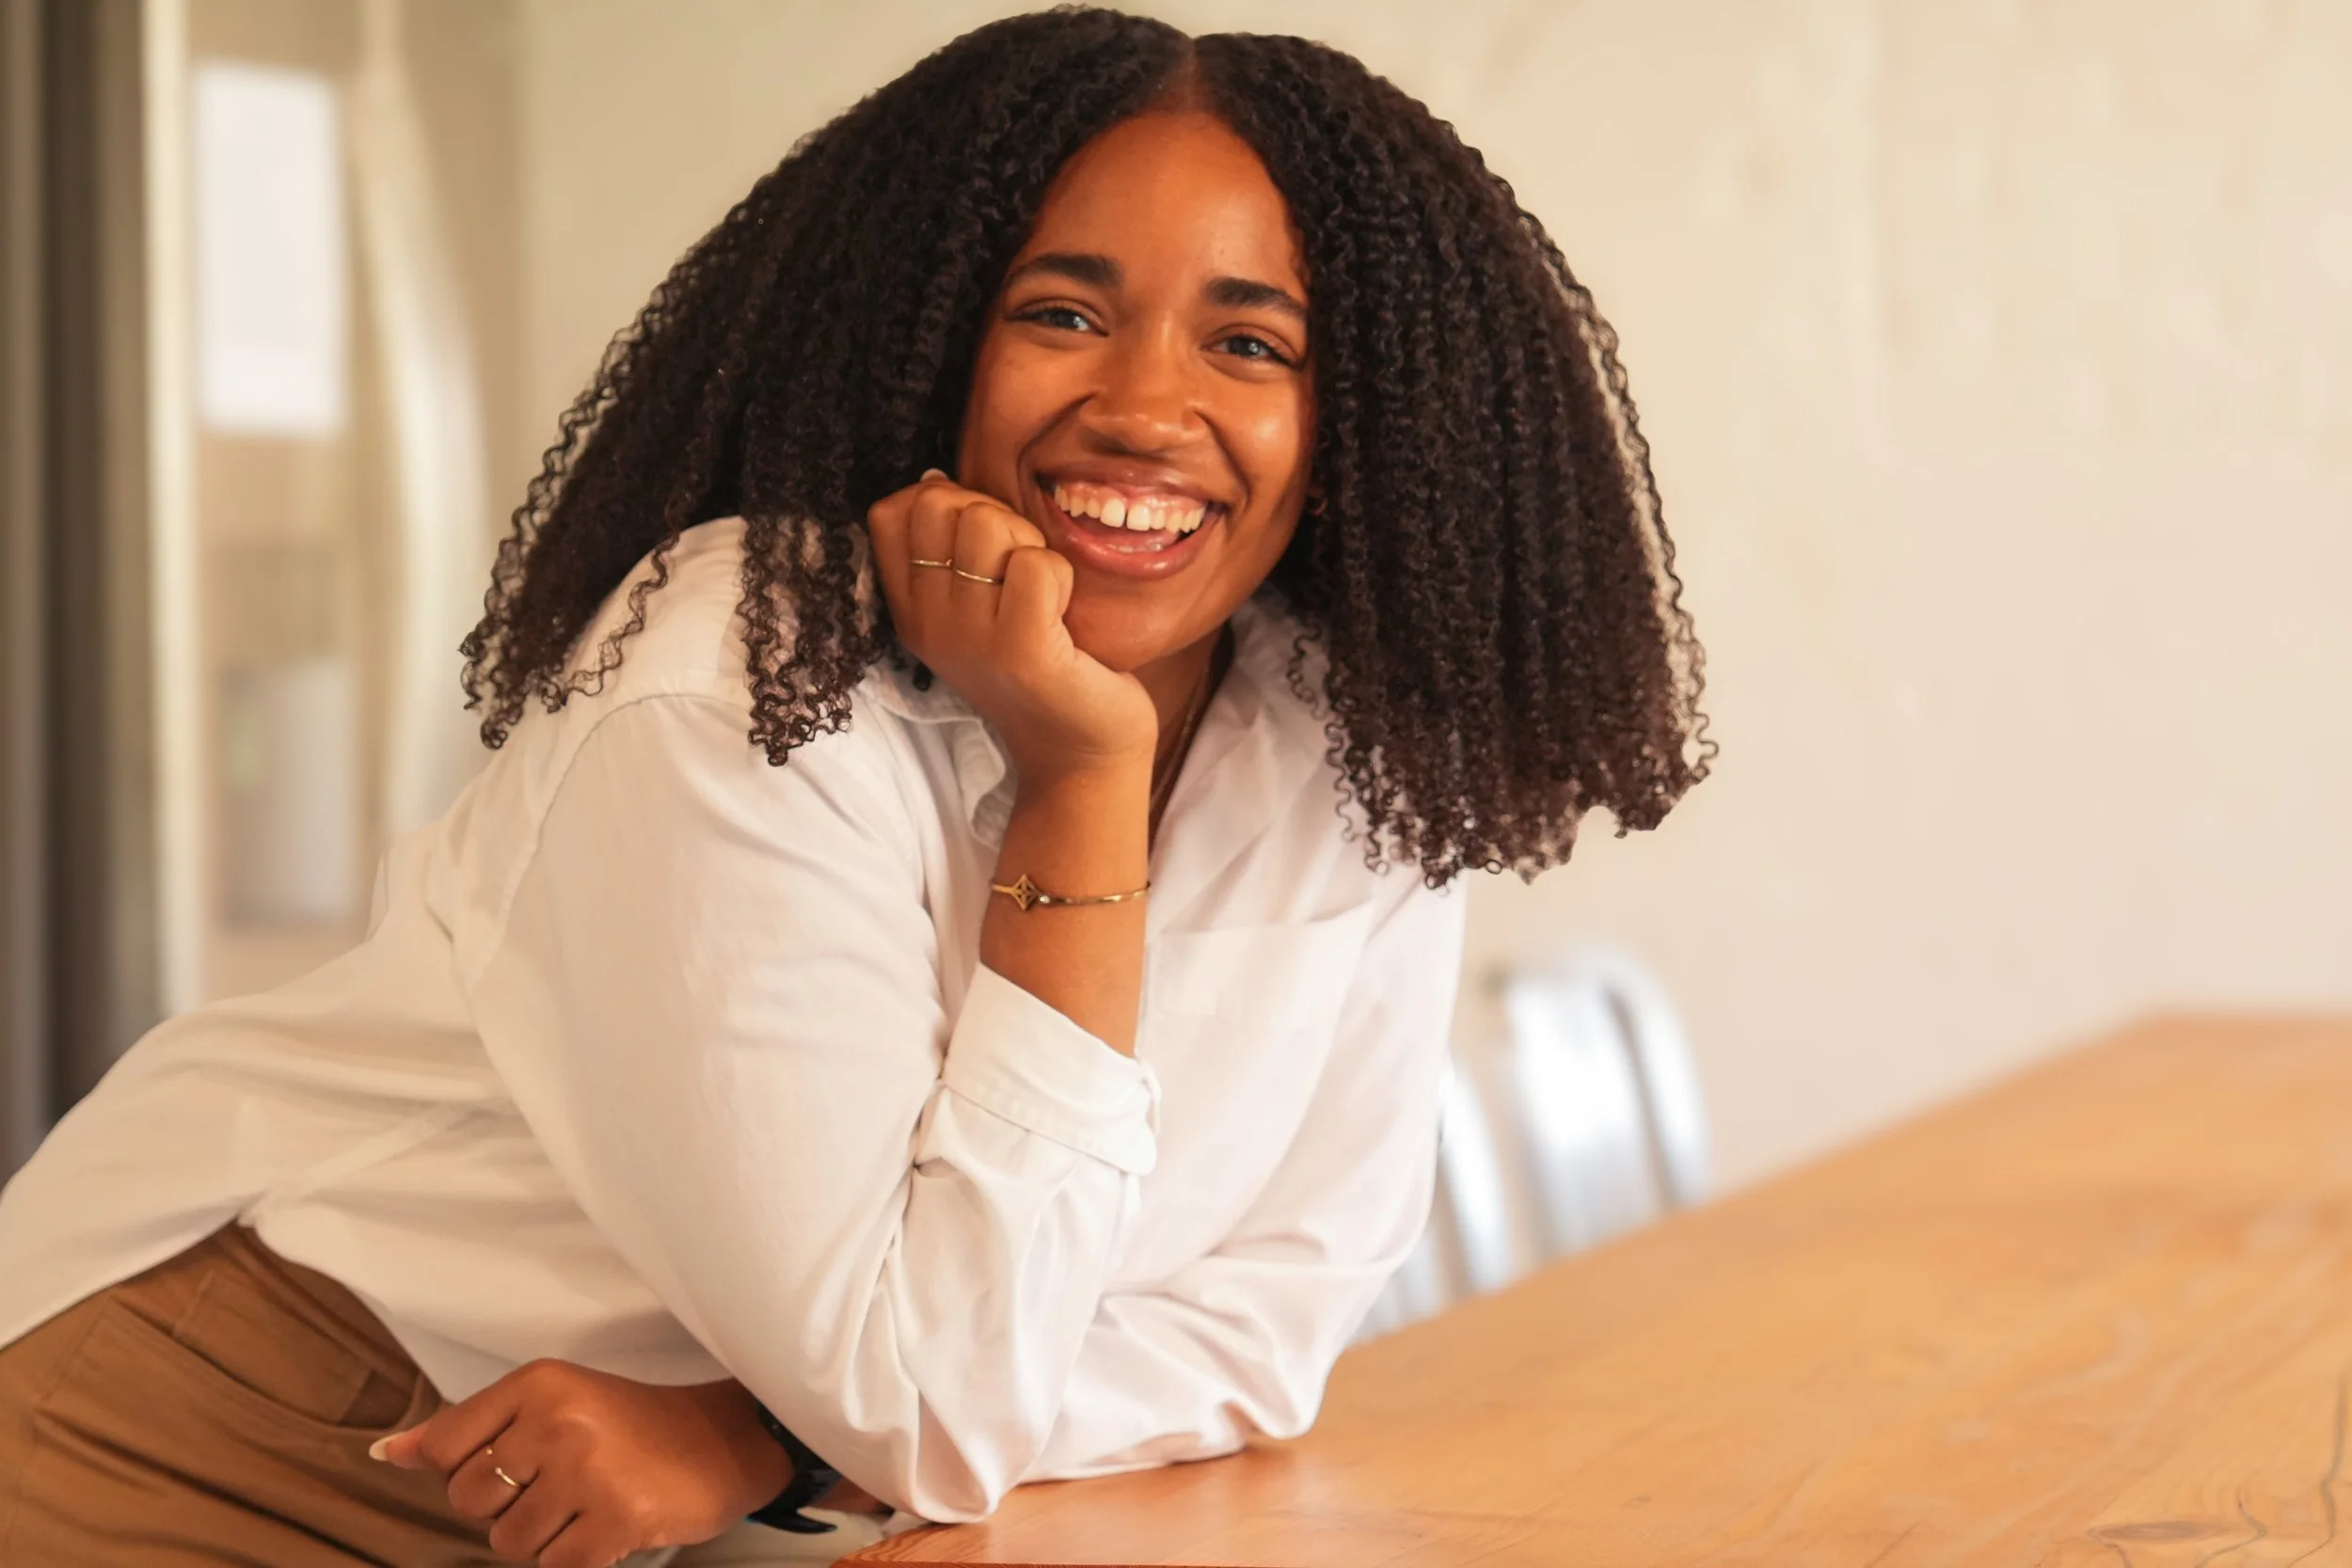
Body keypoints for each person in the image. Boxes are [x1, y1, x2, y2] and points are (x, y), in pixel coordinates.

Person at [0, 10, 1709, 1566]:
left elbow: (1267, 1324)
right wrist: (1082, 780)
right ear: (926, 341)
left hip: (633, 1507)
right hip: (204, 1429)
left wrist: (756, 1447)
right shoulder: (742, 685)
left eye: (1250, 345)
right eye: (1061, 312)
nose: (1146, 405)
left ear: (1375, 417)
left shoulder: (1343, 743)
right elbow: (938, 1407)